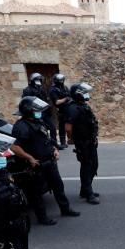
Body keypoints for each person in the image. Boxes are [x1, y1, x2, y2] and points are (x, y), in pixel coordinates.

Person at [10, 96, 80, 225]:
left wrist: (54, 149)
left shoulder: (39, 122)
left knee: (58, 186)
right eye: (36, 110)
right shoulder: (21, 127)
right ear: (28, 111)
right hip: (36, 164)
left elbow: (46, 139)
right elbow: (14, 147)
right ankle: (42, 218)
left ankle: (65, 209)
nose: (39, 112)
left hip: (50, 161)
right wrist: (29, 158)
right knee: (36, 193)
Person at [65, 82, 100, 204]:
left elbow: (91, 122)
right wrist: (72, 140)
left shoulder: (83, 105)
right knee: (87, 166)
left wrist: (94, 137)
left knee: (94, 165)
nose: (86, 95)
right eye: (84, 93)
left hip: (90, 141)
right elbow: (68, 127)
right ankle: (88, 194)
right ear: (77, 94)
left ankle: (84, 189)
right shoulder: (73, 108)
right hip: (82, 142)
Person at [22, 73, 58, 147]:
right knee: (41, 129)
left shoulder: (42, 89)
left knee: (52, 127)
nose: (39, 81)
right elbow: (26, 101)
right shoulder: (27, 90)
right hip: (35, 112)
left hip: (44, 111)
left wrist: (49, 108)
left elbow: (46, 99)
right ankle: (44, 144)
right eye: (37, 80)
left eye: (40, 79)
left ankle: (54, 144)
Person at [48, 73, 71, 149]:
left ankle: (71, 139)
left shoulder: (65, 87)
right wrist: (65, 99)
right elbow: (57, 102)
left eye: (62, 80)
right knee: (62, 126)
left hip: (69, 108)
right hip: (61, 110)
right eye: (60, 80)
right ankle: (62, 142)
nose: (61, 81)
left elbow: (70, 96)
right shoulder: (53, 89)